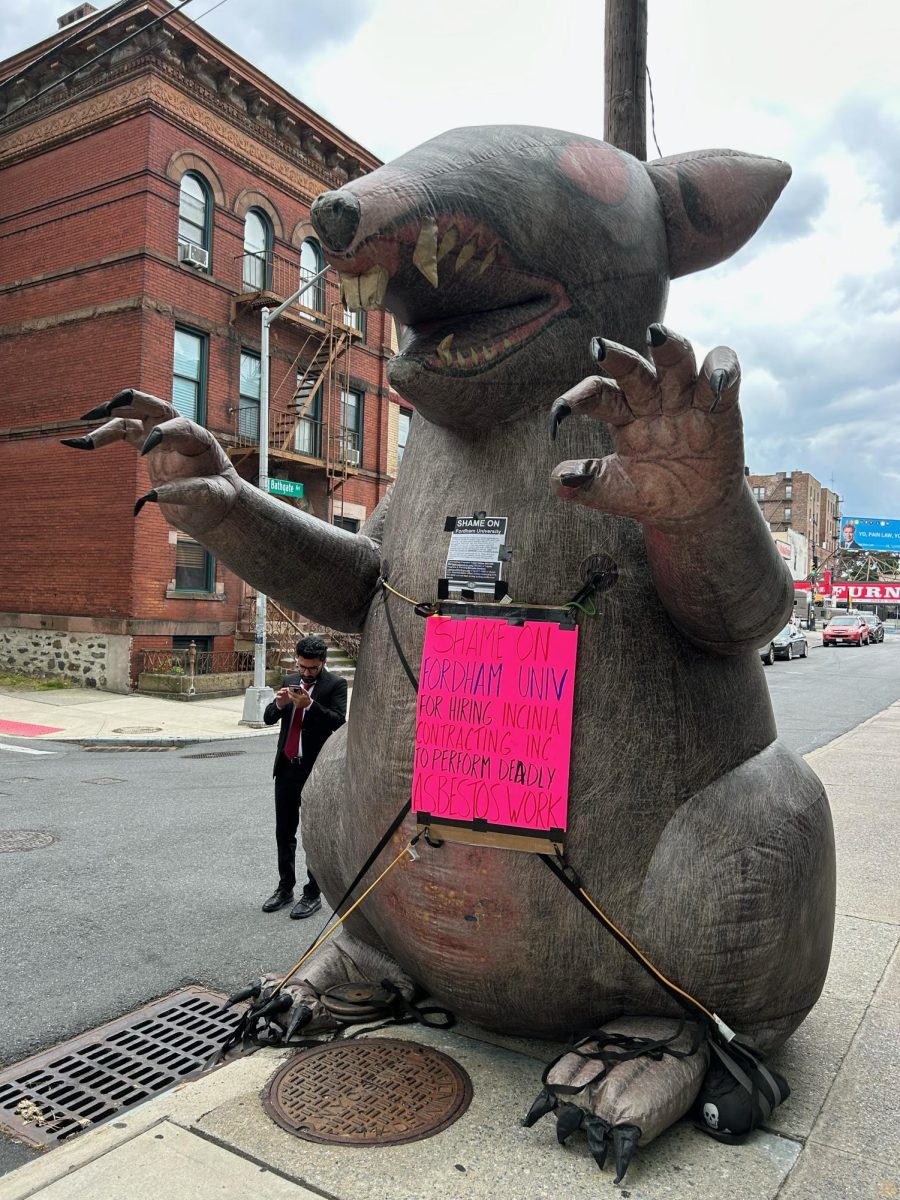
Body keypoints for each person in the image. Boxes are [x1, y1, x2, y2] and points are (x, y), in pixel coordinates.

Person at [261, 635, 347, 918]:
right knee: (284, 832)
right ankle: (285, 888)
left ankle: (312, 894)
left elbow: (338, 722)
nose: (306, 672)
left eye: (311, 668)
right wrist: (281, 704)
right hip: (286, 768)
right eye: (302, 666)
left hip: (315, 772)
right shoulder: (289, 680)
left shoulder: (336, 685)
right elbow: (268, 718)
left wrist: (310, 705)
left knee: (313, 835)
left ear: (323, 662)